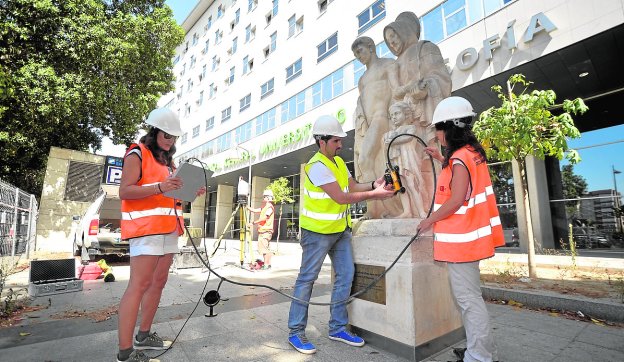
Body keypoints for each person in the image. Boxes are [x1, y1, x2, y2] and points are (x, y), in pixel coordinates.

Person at [287, 115, 395, 354]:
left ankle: (337, 328)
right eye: (336, 141)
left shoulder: (337, 163)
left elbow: (353, 187)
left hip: (340, 232)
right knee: (307, 280)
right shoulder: (316, 167)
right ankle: (295, 332)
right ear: (322, 141)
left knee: (346, 276)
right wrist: (376, 196)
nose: (340, 145)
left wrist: (374, 185)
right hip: (316, 234)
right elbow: (341, 197)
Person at [418, 97, 504, 362]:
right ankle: (478, 349)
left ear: (450, 128)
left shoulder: (458, 158)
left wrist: (428, 220)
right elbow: (462, 178)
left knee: (468, 300)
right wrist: (440, 157)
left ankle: (479, 356)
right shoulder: (469, 153)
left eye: (438, 129)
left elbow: (456, 199)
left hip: (462, 242)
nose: (436, 135)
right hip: (471, 238)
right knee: (469, 299)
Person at [117, 108, 205, 362]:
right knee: (139, 285)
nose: (171, 141)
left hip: (169, 229)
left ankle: (143, 335)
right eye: (167, 136)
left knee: (158, 283)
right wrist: (160, 186)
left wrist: (189, 190)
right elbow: (125, 191)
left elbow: (169, 195)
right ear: (154, 131)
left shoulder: (168, 163)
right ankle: (125, 352)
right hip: (146, 230)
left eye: (175, 138)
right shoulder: (137, 153)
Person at [351, 36, 400, 218]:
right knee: (374, 165)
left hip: (382, 118)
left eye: (360, 51)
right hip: (369, 125)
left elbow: (397, 90)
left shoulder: (388, 64)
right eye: (356, 54)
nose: (358, 56)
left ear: (371, 47)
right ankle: (376, 209)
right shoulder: (362, 80)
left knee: (365, 160)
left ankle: (385, 208)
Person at [383, 101, 427, 218]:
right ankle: (407, 211)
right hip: (396, 162)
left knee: (412, 184)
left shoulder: (410, 128)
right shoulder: (391, 133)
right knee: (400, 186)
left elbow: (407, 138)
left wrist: (392, 140)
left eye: (396, 113)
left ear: (406, 113)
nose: (394, 117)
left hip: (407, 160)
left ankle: (421, 211)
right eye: (391, 116)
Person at [247, 188, 275, 270]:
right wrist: (248, 208)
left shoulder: (270, 207)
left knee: (264, 249)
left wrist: (253, 223)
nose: (263, 198)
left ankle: (266, 265)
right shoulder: (266, 207)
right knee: (266, 249)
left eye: (264, 197)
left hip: (265, 231)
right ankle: (268, 264)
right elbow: (257, 210)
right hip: (264, 231)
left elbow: (264, 218)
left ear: (268, 198)